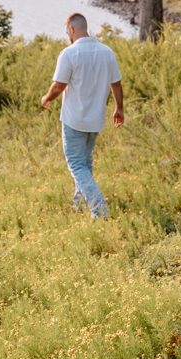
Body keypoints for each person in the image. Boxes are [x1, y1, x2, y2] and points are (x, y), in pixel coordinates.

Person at [41, 12, 124, 219]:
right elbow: (116, 84)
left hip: (74, 119)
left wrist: (47, 97)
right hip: (95, 118)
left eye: (66, 30)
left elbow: (59, 85)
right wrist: (119, 108)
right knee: (85, 163)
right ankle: (78, 204)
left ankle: (100, 209)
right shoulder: (107, 52)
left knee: (77, 164)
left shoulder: (69, 53)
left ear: (71, 29)